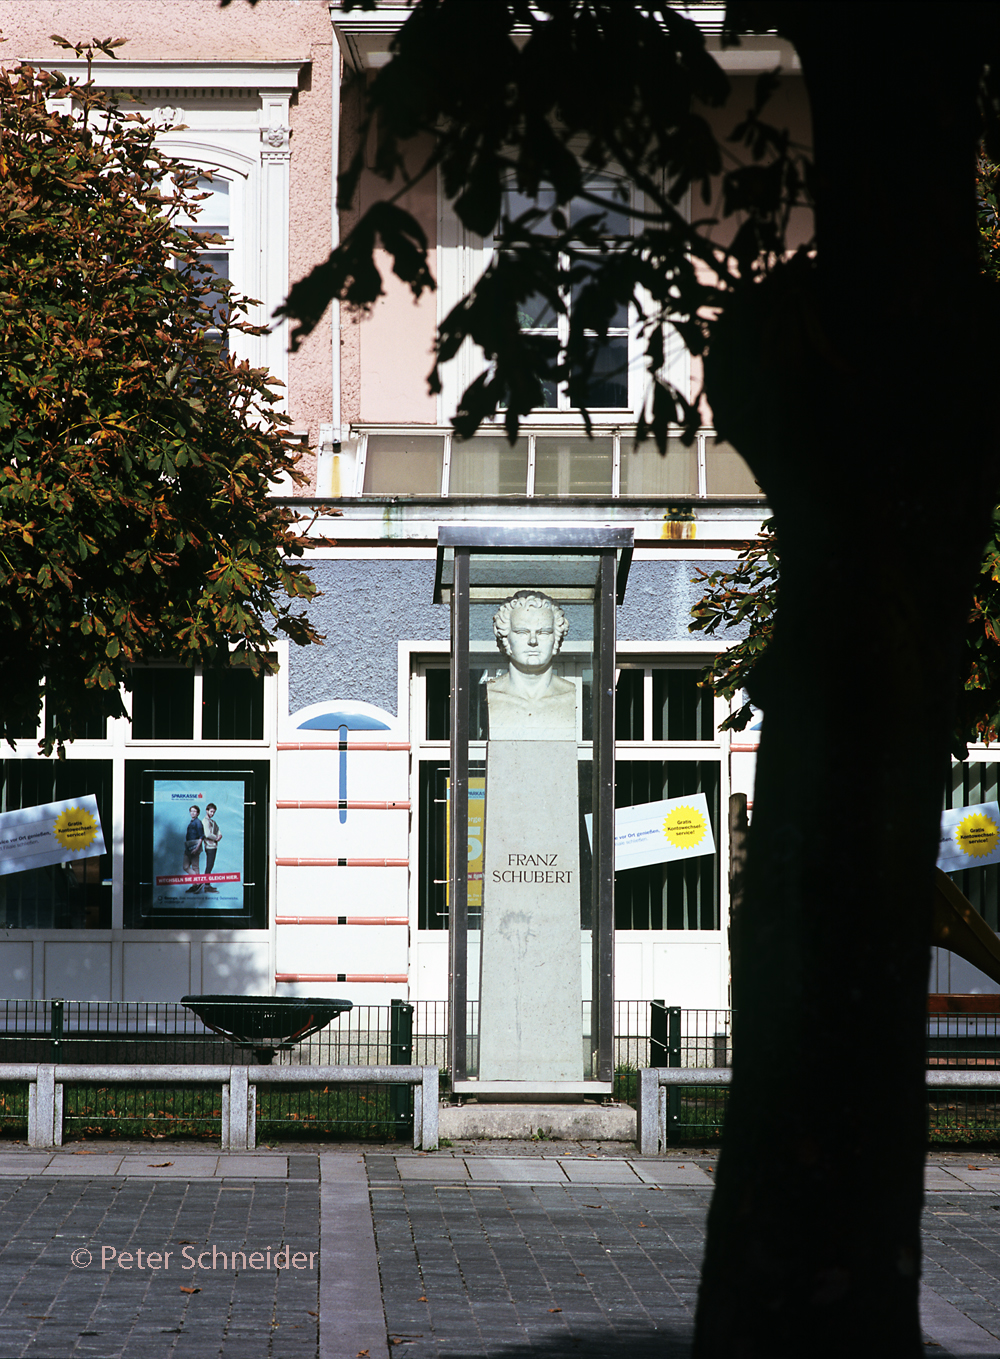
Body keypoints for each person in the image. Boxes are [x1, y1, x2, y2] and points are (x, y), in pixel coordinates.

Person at [487, 590, 576, 739]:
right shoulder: (492, 693)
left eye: (543, 632)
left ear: (556, 638)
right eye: (522, 632)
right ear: (506, 638)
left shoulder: (569, 693)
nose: (533, 641)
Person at [183, 805, 204, 894]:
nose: (192, 813)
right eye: (191, 811)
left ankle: (195, 885)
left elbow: (201, 837)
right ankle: (198, 883)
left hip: (195, 847)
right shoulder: (192, 822)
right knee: (185, 866)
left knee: (195, 867)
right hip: (189, 847)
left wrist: (196, 848)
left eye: (194, 811)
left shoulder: (198, 822)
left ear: (198, 813)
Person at [202, 803, 222, 893]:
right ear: (207, 811)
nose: (212, 813)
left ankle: (207, 885)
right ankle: (206, 886)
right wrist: (216, 837)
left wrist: (219, 835)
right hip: (209, 846)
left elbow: (218, 830)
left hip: (213, 846)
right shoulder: (205, 821)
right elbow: (207, 834)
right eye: (211, 811)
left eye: (214, 812)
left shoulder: (212, 822)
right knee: (209, 866)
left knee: (210, 865)